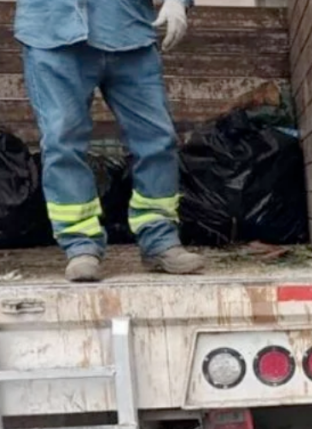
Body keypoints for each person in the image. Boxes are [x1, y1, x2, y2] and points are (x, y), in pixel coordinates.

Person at [14, 0, 204, 282]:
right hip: (53, 33)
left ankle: (160, 238)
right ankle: (80, 245)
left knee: (157, 139)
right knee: (61, 143)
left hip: (127, 29)